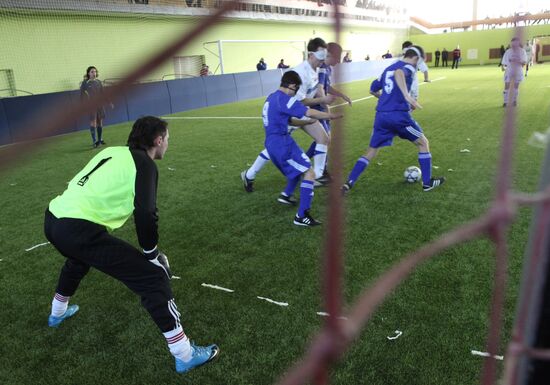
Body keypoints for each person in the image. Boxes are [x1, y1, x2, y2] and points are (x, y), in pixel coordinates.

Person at [44, 116, 219, 374]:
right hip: (76, 228)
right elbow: (145, 213)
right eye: (167, 139)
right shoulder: (145, 164)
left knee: (78, 260)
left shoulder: (112, 150)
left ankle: (57, 313)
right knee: (154, 277)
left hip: (52, 218)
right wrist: (152, 254)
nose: (168, 143)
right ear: (158, 141)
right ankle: (185, 354)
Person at [342, 45, 445, 193]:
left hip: (381, 117)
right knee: (423, 143)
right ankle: (427, 183)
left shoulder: (387, 69)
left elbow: (372, 89)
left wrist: (387, 99)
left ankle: (349, 182)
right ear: (416, 58)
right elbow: (399, 74)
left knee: (371, 151)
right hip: (399, 118)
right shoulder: (407, 67)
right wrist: (407, 97)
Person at [242, 38, 337, 192]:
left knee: (323, 138)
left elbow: (312, 94)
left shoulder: (316, 69)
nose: (322, 59)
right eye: (320, 55)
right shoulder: (300, 72)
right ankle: (250, 174)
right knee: (274, 147)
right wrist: (322, 100)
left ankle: (318, 175)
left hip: (297, 111)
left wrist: (323, 101)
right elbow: (301, 103)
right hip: (289, 113)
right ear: (311, 54)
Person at [261, 70, 342, 226]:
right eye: (296, 89)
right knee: (309, 173)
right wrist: (330, 116)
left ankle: (286, 195)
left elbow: (289, 120)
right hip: (281, 144)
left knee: (298, 171)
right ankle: (302, 215)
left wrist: (306, 122)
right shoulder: (285, 99)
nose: (296, 93)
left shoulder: (270, 98)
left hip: (277, 141)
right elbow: (308, 111)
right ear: (292, 86)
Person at [304, 42, 352, 184]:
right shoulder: (322, 68)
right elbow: (320, 89)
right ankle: (318, 173)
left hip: (317, 106)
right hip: (315, 107)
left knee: (323, 139)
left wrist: (341, 95)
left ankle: (306, 165)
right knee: (325, 139)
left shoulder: (327, 68)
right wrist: (327, 108)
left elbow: (326, 86)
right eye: (337, 57)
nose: (338, 61)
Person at [80, 66, 113, 148]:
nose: (94, 73)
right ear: (88, 73)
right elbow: (82, 96)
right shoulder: (85, 83)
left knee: (100, 122)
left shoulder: (98, 82)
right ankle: (94, 141)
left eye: (95, 71)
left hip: (100, 105)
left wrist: (109, 102)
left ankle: (100, 139)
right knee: (93, 122)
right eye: (92, 72)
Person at [501, 37, 527, 107]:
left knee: (516, 87)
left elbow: (524, 62)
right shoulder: (508, 51)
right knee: (507, 86)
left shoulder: (522, 51)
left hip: (518, 71)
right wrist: (503, 67)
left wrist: (518, 61)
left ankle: (514, 101)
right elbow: (504, 62)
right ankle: (505, 102)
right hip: (509, 71)